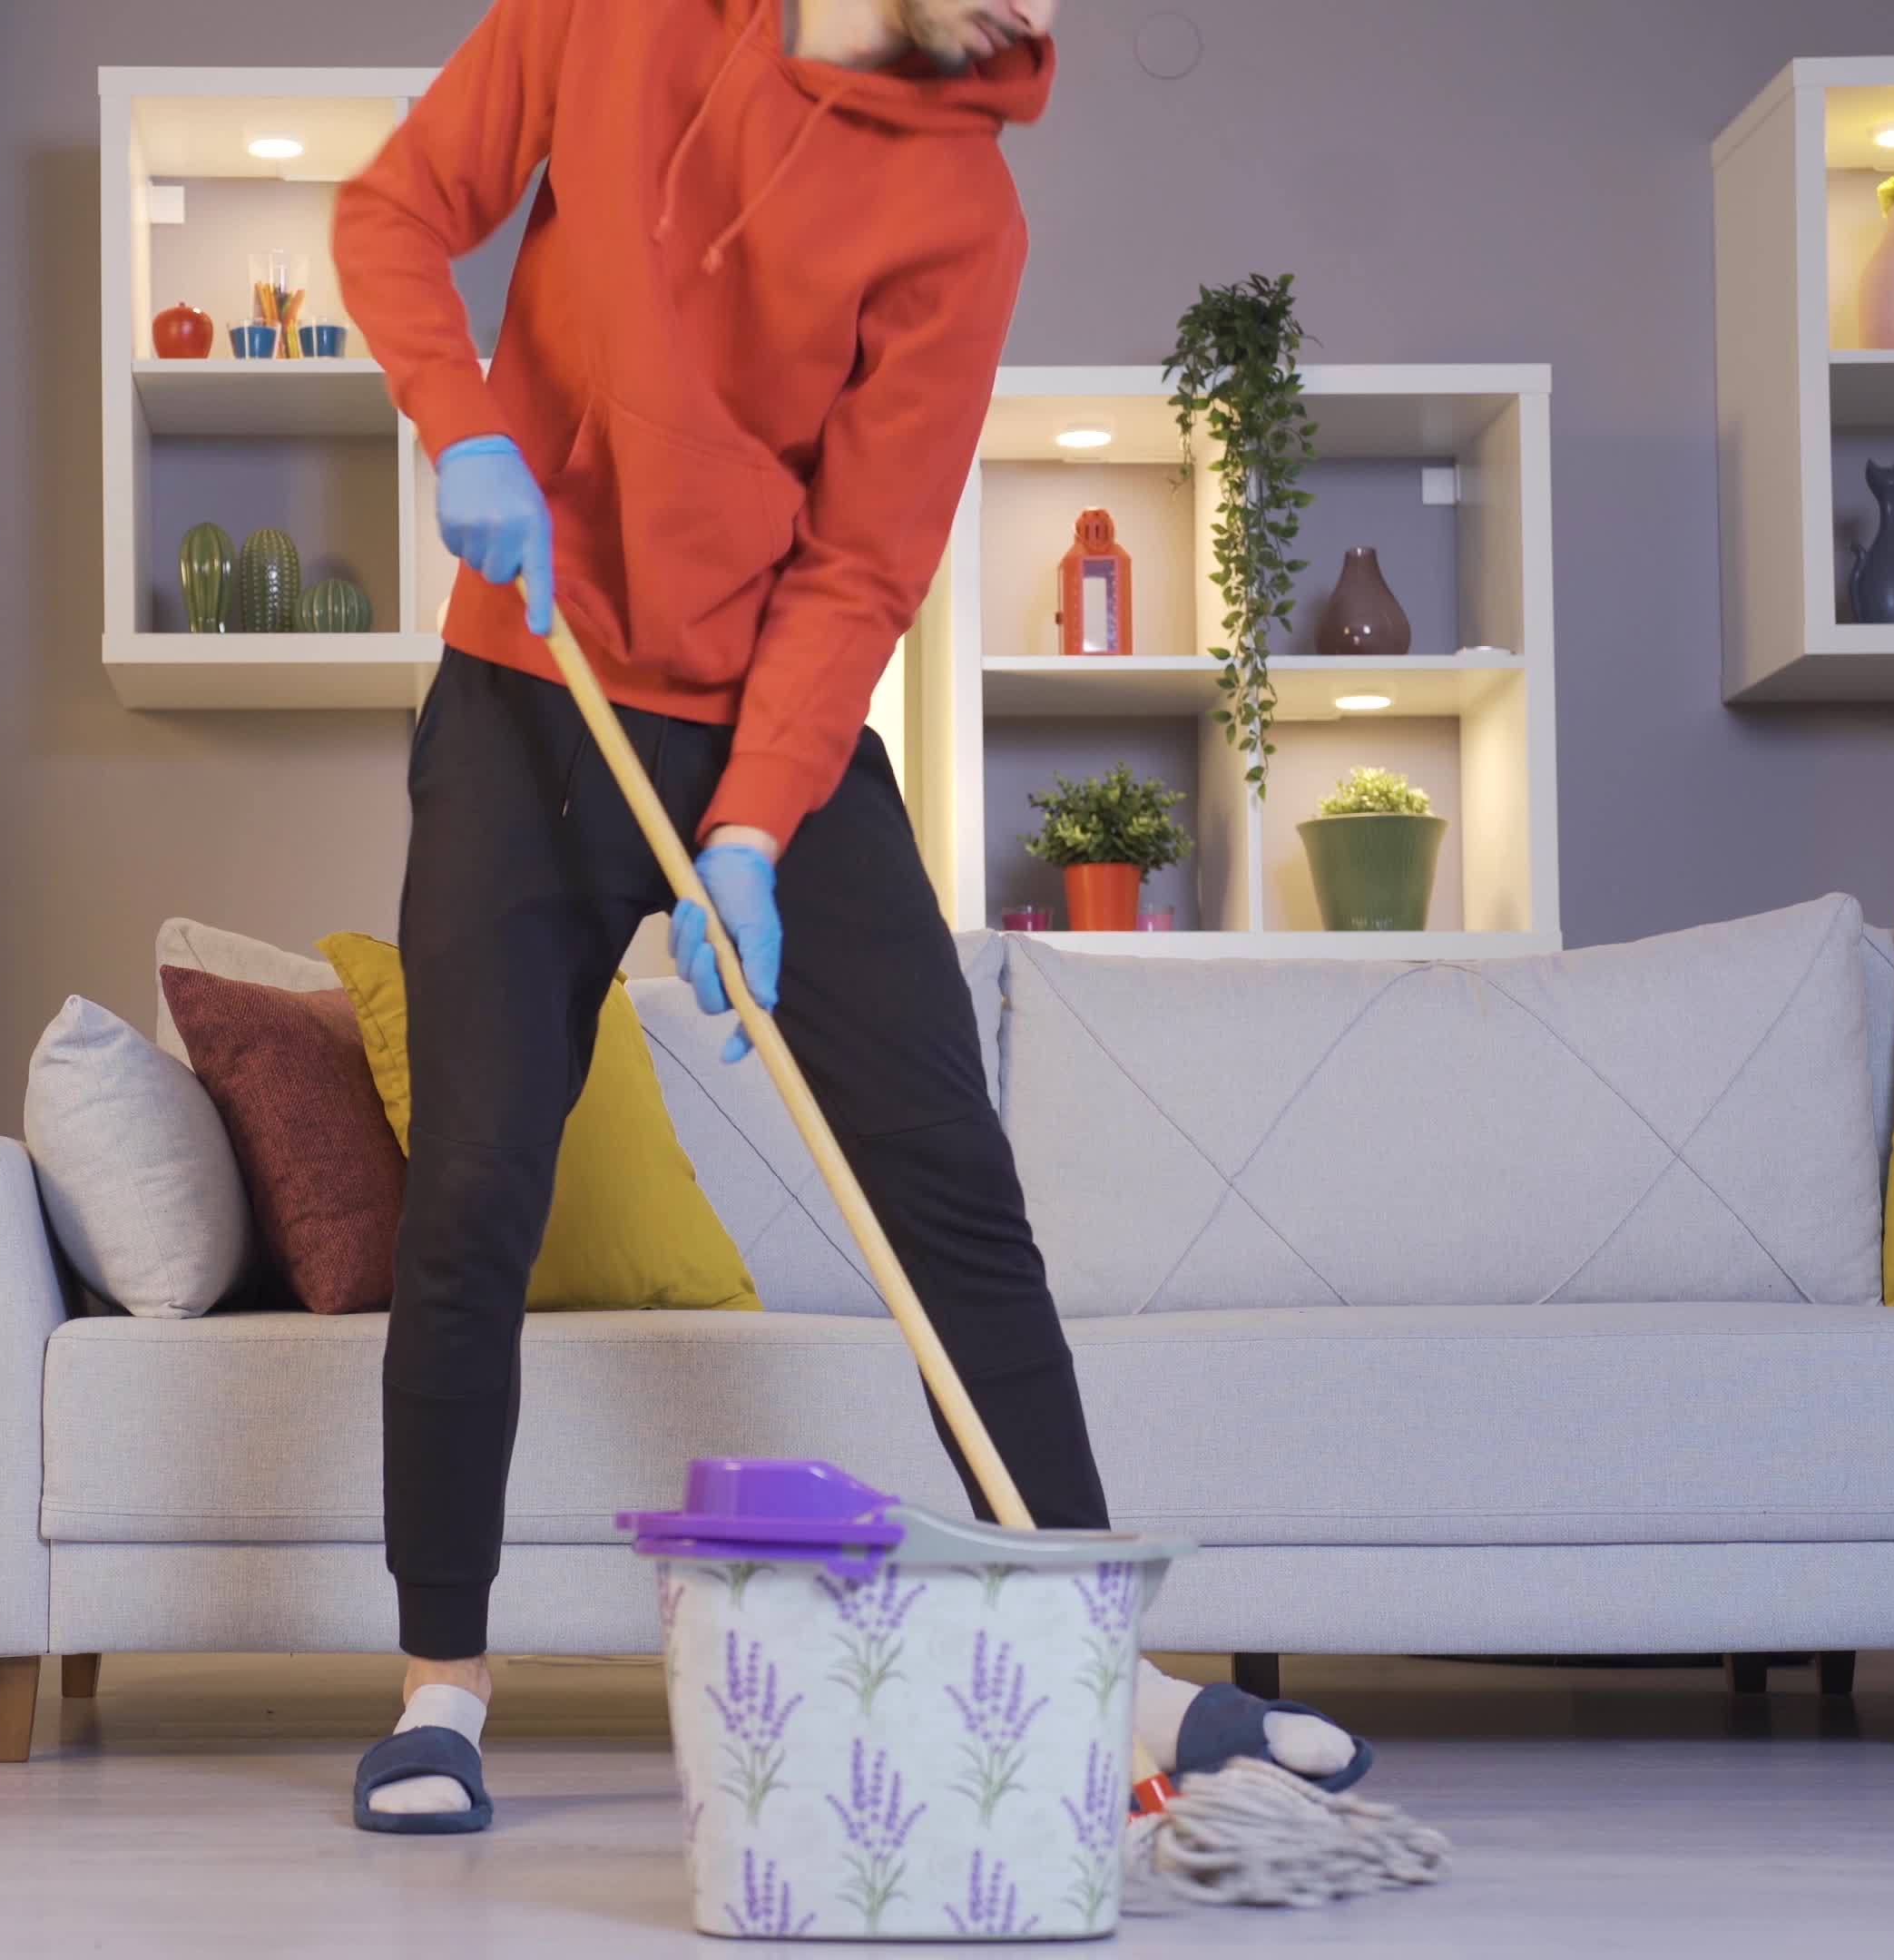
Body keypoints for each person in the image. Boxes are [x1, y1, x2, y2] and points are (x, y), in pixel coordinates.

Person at [330, 0, 1364, 1835]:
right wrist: (464, 423)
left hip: (766, 726)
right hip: (527, 694)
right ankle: (441, 1690)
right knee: (477, 1188)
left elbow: (866, 560)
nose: (1031, 16)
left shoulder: (963, 208)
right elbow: (397, 213)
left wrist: (747, 831)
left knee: (947, 1190)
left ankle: (1107, 1665)